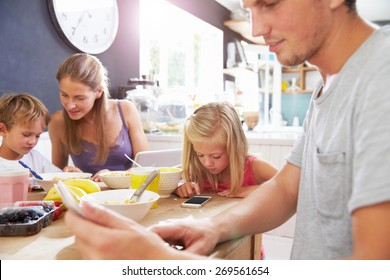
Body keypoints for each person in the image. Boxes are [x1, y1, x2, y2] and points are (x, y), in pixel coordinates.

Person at [65, 0, 390, 259]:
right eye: (250, 9)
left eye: (270, 3)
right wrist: (213, 228)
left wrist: (162, 263)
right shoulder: (326, 87)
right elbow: (288, 188)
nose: (257, 28)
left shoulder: (382, 76)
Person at [49, 53, 149, 181]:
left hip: (130, 194)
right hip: (87, 197)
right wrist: (66, 173)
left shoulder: (126, 110)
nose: (70, 105)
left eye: (79, 97)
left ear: (98, 92)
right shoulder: (58, 122)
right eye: (64, 95)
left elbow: (146, 167)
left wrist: (114, 177)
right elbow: (54, 177)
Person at [175, 101, 277, 198]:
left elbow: (287, 185)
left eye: (216, 156)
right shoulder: (197, 168)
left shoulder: (254, 166)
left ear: (234, 147)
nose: (207, 163)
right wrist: (179, 189)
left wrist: (252, 190)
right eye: (200, 155)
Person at [0, 93, 62, 187]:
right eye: (26, 135)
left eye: (37, 136)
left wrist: (70, 174)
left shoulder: (36, 158)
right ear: (3, 130)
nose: (33, 142)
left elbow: (59, 179)